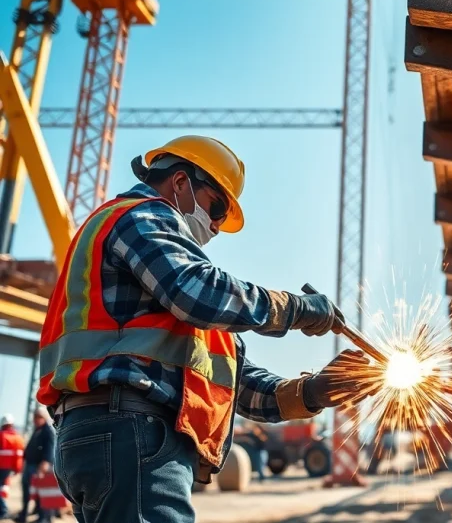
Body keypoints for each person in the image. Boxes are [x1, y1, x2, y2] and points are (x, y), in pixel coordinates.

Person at [36, 136, 379, 523]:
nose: (216, 226)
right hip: (130, 428)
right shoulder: (141, 217)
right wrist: (296, 309)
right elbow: (196, 292)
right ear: (180, 183)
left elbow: (239, 387)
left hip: (115, 432)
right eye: (216, 207)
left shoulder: (176, 296)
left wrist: (313, 391)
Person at [16, 408, 54, 523]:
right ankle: (24, 514)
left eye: (38, 417)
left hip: (39, 466)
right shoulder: (37, 430)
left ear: (44, 418)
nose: (35, 420)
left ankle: (43, 518)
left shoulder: (47, 431)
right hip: (30, 464)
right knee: (27, 490)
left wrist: (45, 462)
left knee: (41, 492)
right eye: (34, 417)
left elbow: (49, 448)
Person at [0, 414, 25, 519]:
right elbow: (19, 455)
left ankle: (3, 510)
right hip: (10, 468)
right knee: (4, 488)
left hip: (1, 467)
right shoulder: (18, 438)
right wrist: (17, 468)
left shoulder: (1, 436)